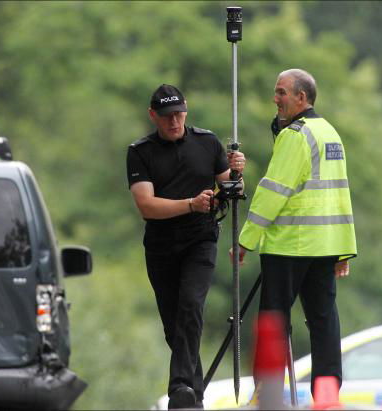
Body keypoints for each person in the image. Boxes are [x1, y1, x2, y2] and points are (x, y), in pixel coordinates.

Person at [231, 69, 357, 397]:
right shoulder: (330, 133)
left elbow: (273, 190)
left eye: (282, 93)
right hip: (324, 247)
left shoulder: (295, 136)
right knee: (324, 322)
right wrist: (344, 250)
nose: (276, 99)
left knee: (273, 321)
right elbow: (340, 196)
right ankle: (327, 396)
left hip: (289, 246)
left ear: (302, 98)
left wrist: (246, 239)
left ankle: (268, 395)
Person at [127, 84, 246, 409]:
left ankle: (180, 388)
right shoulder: (140, 152)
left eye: (179, 114)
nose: (174, 121)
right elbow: (147, 206)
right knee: (173, 326)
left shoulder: (207, 142)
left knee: (191, 307)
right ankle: (194, 396)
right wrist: (191, 204)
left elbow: (231, 188)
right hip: (161, 246)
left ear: (187, 110)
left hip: (200, 240)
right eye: (166, 116)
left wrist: (237, 172)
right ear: (153, 116)